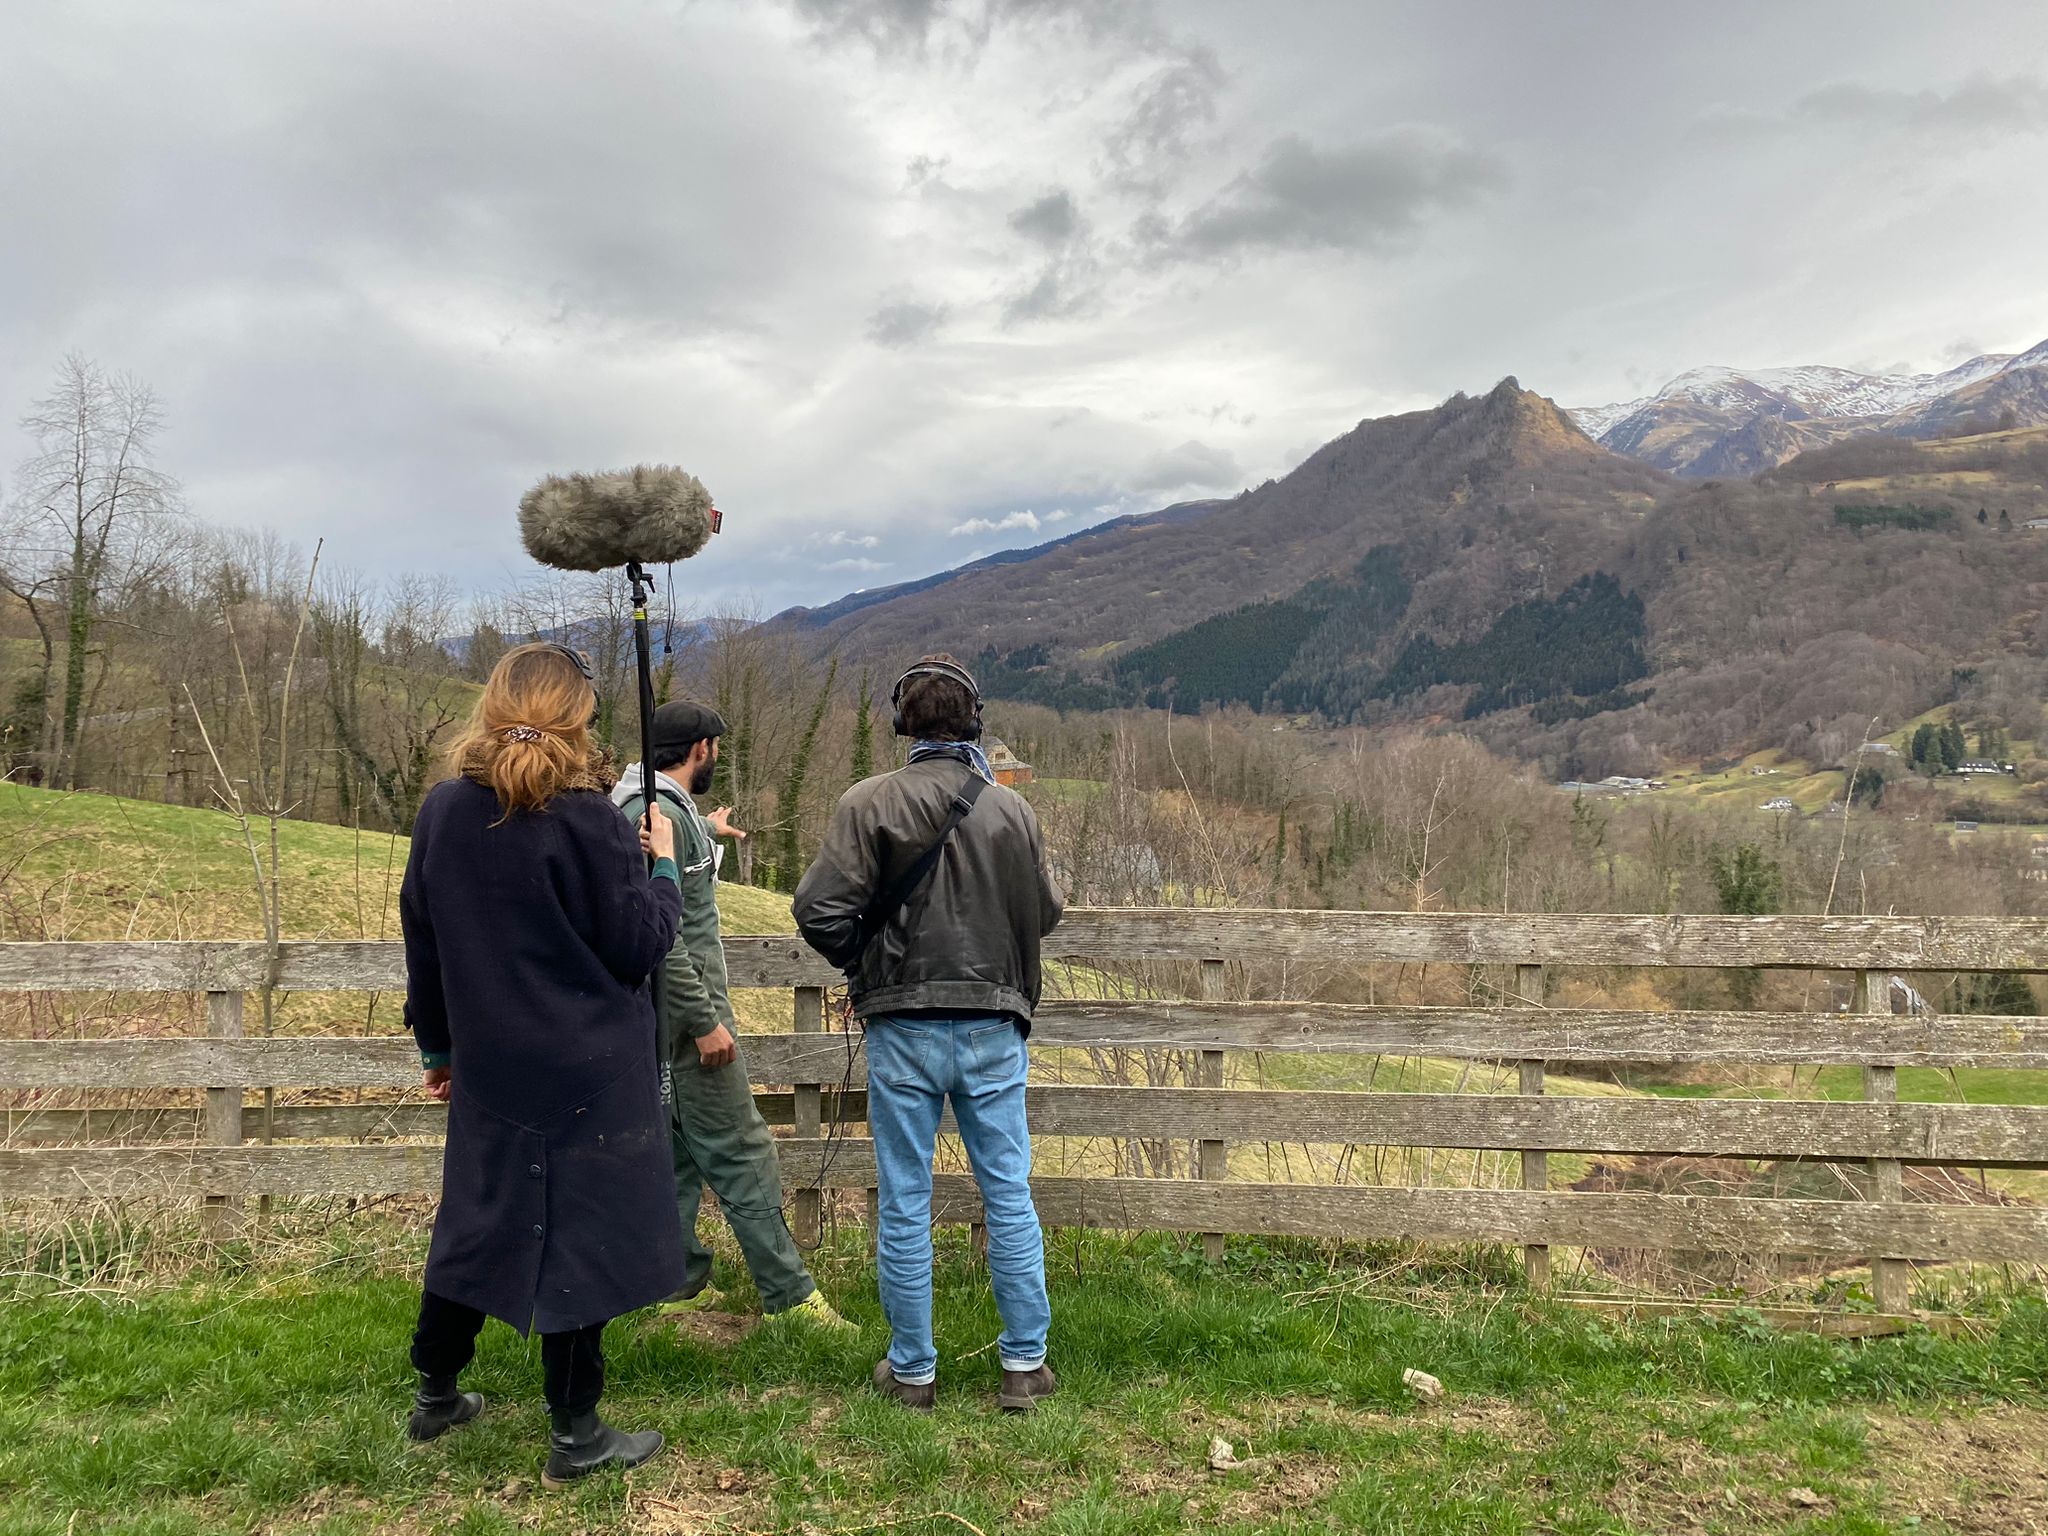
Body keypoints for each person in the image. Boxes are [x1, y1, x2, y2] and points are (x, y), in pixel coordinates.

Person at [400, 642, 685, 1488]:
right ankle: (578, 1434)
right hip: (589, 1067)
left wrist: (439, 1046)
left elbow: (425, 938)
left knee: (477, 1219)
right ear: (580, 714)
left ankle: (436, 1391)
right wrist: (661, 864)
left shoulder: (445, 811)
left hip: (493, 1062)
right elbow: (637, 946)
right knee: (577, 1242)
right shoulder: (591, 817)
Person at [793, 655, 1064, 1413]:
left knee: (906, 1198)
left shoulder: (867, 801)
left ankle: (913, 1372)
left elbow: (817, 910)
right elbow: (1047, 913)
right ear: (974, 721)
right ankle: (1023, 1367)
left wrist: (869, 967)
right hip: (991, 1022)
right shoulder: (1013, 811)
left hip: (902, 1024)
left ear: (903, 723)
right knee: (1008, 1192)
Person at [612, 700, 853, 1330]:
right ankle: (791, 1298)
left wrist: (704, 833)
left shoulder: (656, 807)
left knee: (678, 1149)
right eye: (715, 745)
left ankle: (675, 1279)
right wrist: (703, 1020)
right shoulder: (650, 812)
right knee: (746, 1150)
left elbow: (676, 887)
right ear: (699, 750)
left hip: (663, 1022)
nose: (718, 754)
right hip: (686, 1020)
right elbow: (660, 936)